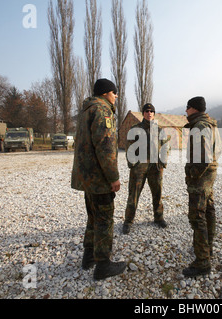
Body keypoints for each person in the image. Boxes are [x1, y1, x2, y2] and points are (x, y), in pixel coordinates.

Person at [71, 78, 126, 280]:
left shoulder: (87, 110)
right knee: (104, 220)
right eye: (114, 92)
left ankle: (88, 257)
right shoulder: (103, 111)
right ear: (105, 93)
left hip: (87, 178)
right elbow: (106, 148)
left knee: (93, 217)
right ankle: (103, 265)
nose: (116, 96)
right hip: (100, 178)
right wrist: (113, 178)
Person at [182, 96, 222, 278]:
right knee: (208, 210)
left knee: (197, 216)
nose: (185, 111)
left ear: (194, 109)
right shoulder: (211, 125)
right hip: (210, 175)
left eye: (187, 108)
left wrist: (192, 174)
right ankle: (207, 247)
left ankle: (202, 262)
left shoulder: (199, 127)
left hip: (200, 178)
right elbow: (217, 152)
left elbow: (203, 158)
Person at [123, 103, 170, 234]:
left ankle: (159, 217)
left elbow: (166, 147)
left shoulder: (159, 130)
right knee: (134, 194)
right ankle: (128, 221)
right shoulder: (135, 129)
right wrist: (133, 164)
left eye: (151, 111)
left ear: (154, 114)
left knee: (157, 193)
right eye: (147, 111)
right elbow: (128, 147)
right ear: (143, 113)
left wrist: (163, 163)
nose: (149, 113)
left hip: (155, 167)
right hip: (139, 167)